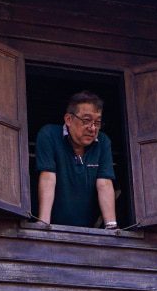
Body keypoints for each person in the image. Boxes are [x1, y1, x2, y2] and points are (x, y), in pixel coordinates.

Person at [34, 91, 117, 229]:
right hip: (53, 226)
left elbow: (105, 183)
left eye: (97, 122)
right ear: (68, 119)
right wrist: (43, 225)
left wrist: (112, 227)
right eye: (86, 120)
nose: (92, 128)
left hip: (89, 230)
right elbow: (48, 178)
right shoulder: (49, 135)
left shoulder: (103, 142)